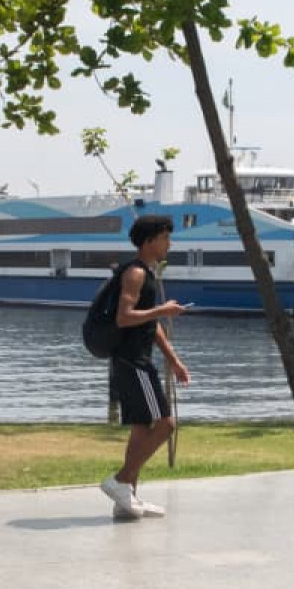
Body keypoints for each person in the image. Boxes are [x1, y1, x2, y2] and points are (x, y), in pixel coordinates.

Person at [101, 214, 191, 521]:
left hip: (137, 360)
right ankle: (120, 481)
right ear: (150, 241)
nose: (170, 243)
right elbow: (124, 317)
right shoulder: (136, 274)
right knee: (165, 425)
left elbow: (151, 326)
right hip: (133, 362)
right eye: (166, 237)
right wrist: (164, 309)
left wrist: (173, 359)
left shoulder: (147, 275)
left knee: (141, 429)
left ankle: (127, 503)